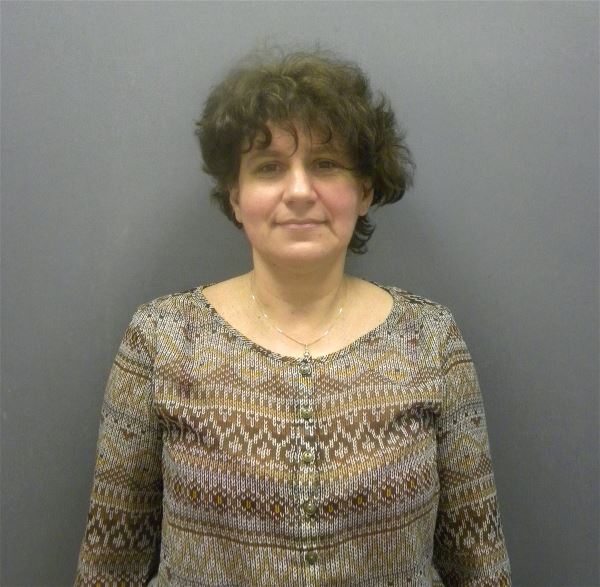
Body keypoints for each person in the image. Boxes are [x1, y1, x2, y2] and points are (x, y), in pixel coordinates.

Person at [75, 48, 511, 586]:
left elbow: (479, 565)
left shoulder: (430, 341)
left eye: (326, 164)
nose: (300, 191)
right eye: (269, 167)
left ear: (365, 190)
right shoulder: (161, 341)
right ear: (236, 197)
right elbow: (109, 565)